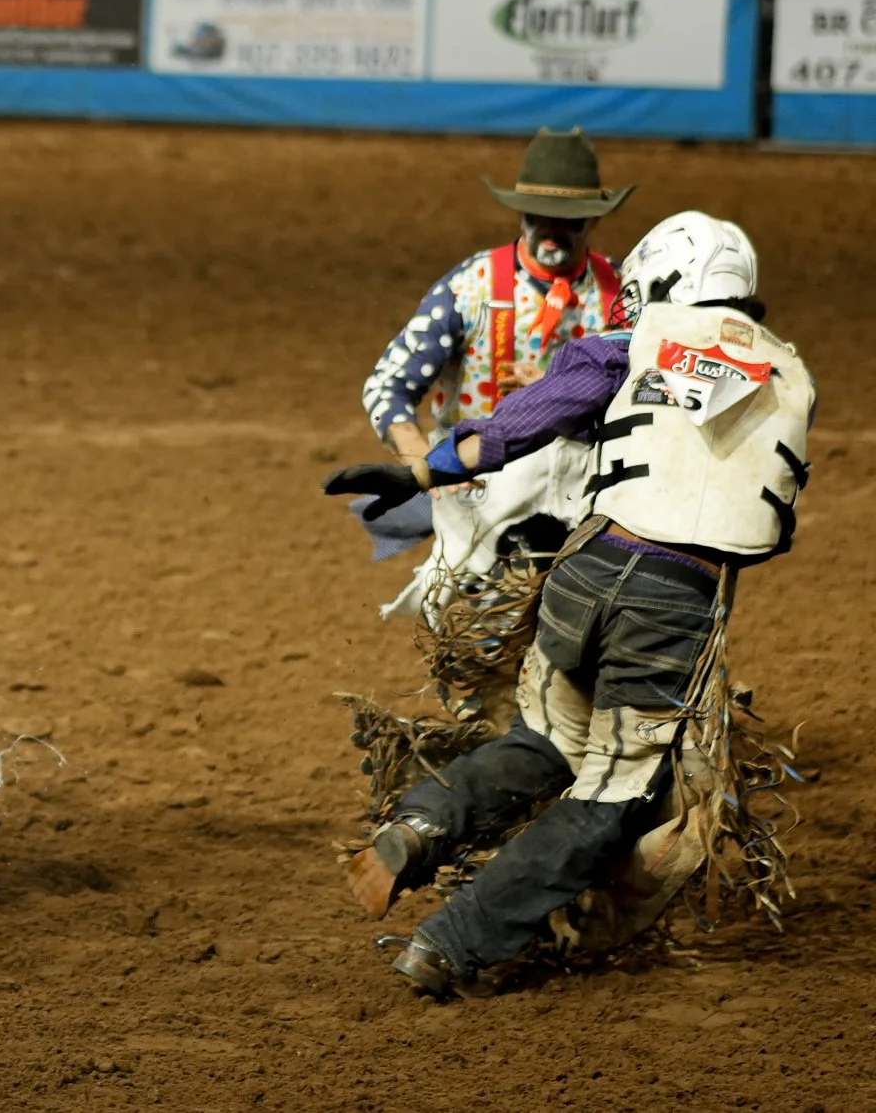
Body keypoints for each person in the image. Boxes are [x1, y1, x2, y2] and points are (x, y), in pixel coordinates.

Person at [326, 212, 814, 996]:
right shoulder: (791, 380)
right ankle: (452, 941)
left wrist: (421, 475)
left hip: (584, 573)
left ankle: (419, 829)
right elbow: (768, 517)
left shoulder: (627, 349)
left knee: (547, 738)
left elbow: (528, 422)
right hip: (676, 602)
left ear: (661, 284)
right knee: (614, 794)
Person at [359, 129, 631, 615]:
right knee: (477, 643)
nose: (552, 229)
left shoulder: (623, 296)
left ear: (593, 219)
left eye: (568, 219)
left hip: (588, 498)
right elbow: (389, 385)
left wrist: (557, 393)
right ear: (520, 215)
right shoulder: (471, 288)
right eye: (540, 216)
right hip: (478, 500)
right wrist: (423, 460)